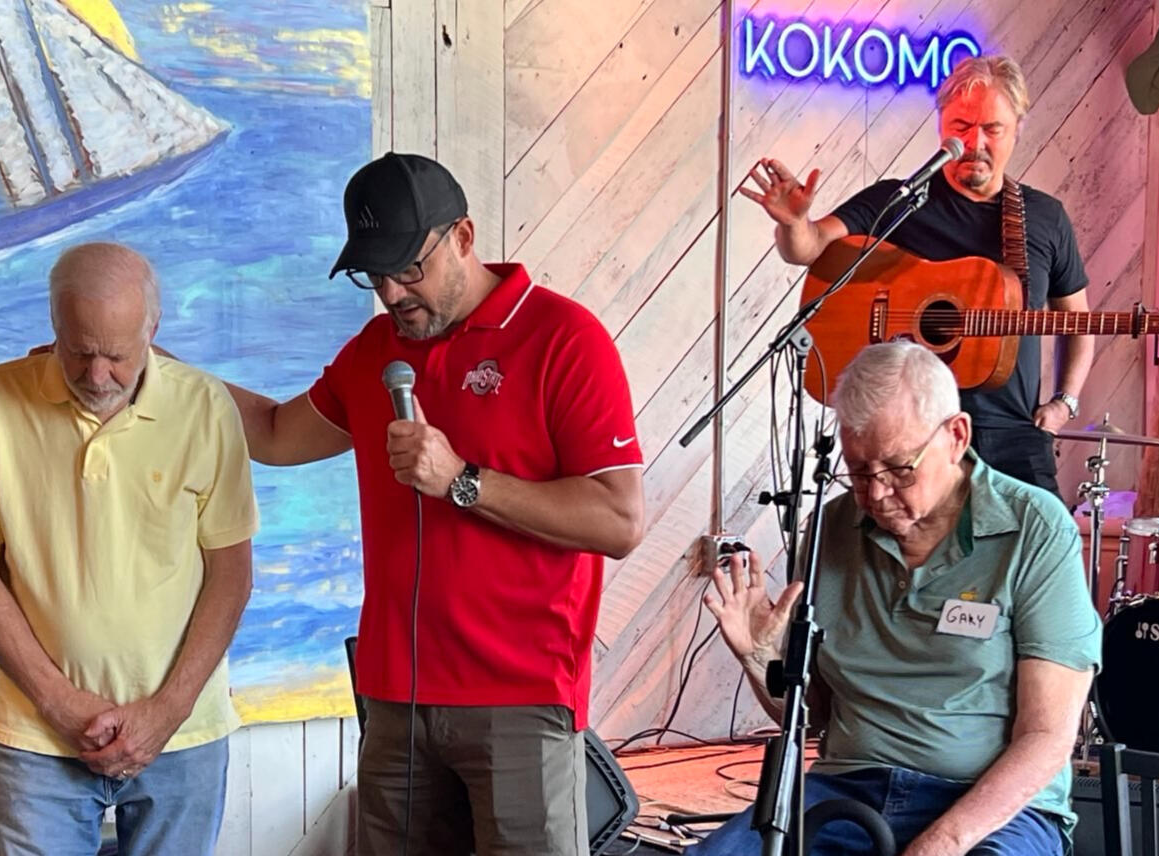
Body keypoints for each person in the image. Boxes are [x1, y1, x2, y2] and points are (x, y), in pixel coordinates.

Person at [213, 152, 645, 856]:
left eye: (408, 268)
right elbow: (272, 434)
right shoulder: (374, 351)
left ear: (463, 237)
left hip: (519, 698)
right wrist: (155, 369)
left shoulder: (563, 338)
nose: (391, 292)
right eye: (373, 274)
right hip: (394, 698)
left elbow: (619, 521)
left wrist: (463, 480)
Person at [691, 341, 1101, 856]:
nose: (878, 494)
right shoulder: (830, 529)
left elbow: (1047, 737)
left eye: (900, 469)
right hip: (850, 785)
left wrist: (941, 843)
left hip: (992, 808)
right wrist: (760, 658)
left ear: (956, 436)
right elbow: (814, 717)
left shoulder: (1034, 527)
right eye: (860, 472)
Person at [0, 243, 258, 855]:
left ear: (152, 331)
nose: (97, 376)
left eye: (116, 356)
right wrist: (58, 703)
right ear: (54, 326)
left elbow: (231, 575)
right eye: (79, 352)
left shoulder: (206, 406)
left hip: (184, 734)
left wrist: (168, 710)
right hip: (38, 739)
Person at [741, 54, 1094, 496]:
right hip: (909, 437)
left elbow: (1078, 322)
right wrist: (794, 224)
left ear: (1018, 128)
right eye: (962, 126)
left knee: (1047, 536)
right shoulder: (897, 202)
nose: (975, 142)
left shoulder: (1044, 218)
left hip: (1013, 434)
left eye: (992, 129)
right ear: (941, 125)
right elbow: (809, 248)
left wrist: (1064, 403)